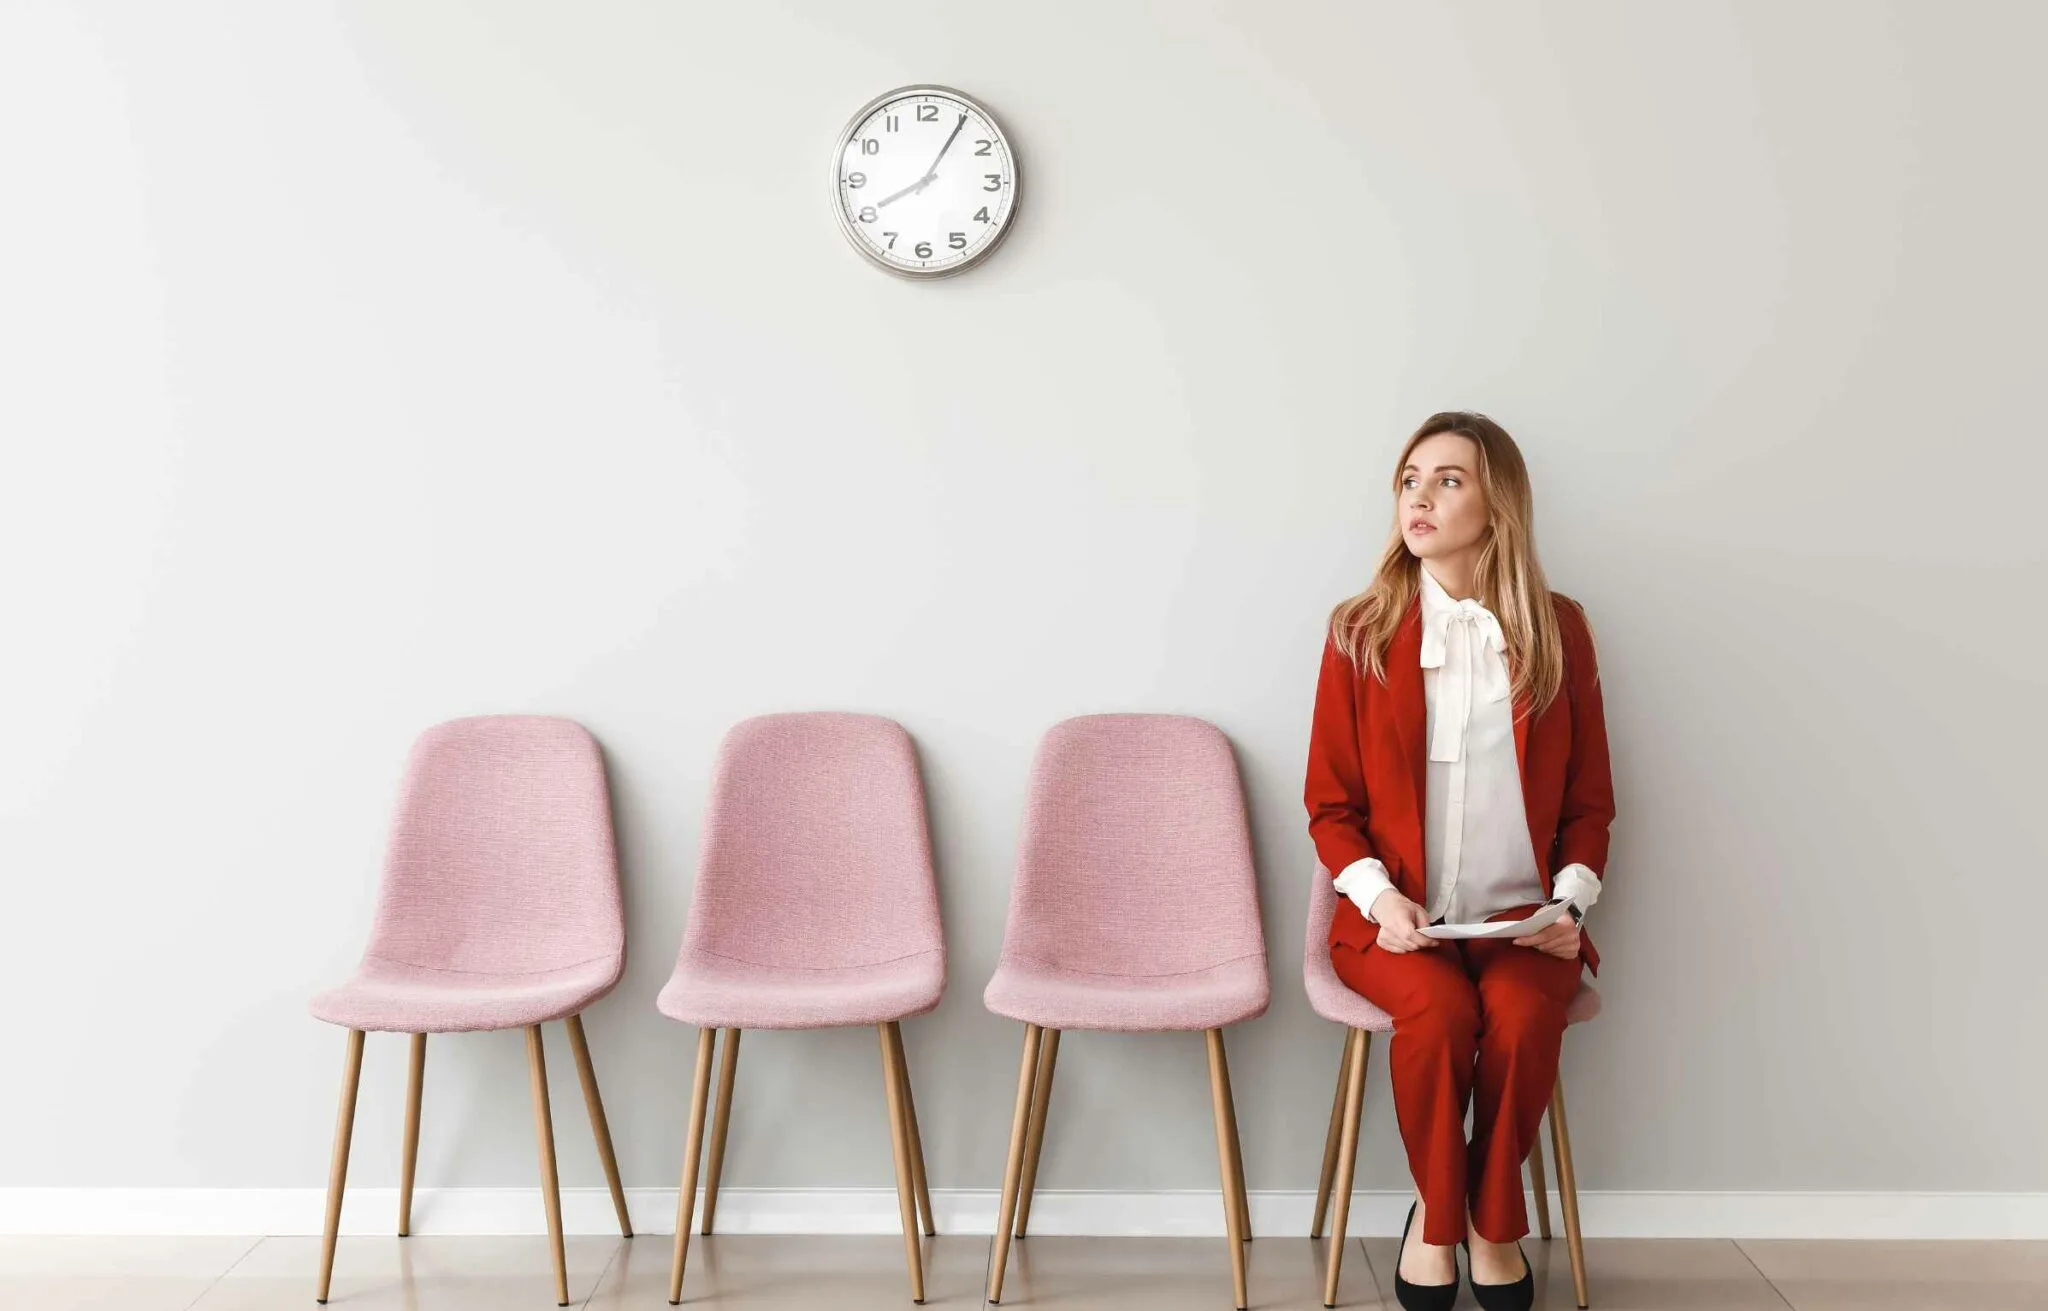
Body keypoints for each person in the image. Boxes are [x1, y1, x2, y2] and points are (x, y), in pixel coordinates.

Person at [1304, 411, 1615, 1311]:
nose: (1421, 496)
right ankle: (1448, 1224)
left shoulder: (1561, 630)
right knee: (1437, 1021)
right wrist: (1377, 900)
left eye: (1449, 479)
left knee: (1519, 1021)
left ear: (1499, 502)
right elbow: (1330, 806)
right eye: (1410, 479)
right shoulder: (1359, 631)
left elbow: (1592, 803)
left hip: (1527, 929)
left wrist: (1570, 908)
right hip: (1397, 926)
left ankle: (1482, 1220)